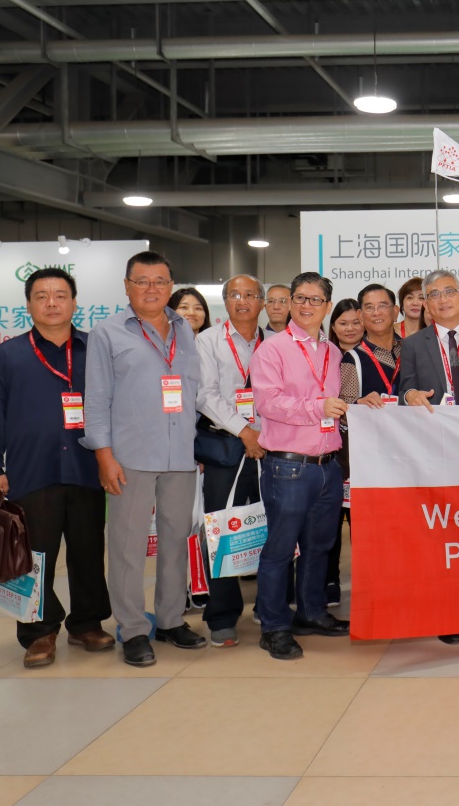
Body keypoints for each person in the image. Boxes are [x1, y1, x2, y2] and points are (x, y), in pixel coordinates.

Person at [0, 267, 112, 668]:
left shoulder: (97, 350)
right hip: (31, 471)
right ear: (29, 304)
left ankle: (87, 623)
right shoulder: (6, 356)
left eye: (60, 295)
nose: (52, 303)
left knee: (88, 553)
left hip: (89, 469)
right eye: (41, 296)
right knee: (34, 558)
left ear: (74, 302)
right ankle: (39, 632)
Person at [84, 250, 205, 667]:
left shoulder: (184, 330)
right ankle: (134, 629)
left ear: (171, 286)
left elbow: (192, 392)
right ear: (127, 286)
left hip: (181, 455)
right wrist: (104, 455)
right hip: (130, 456)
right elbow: (96, 399)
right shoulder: (107, 333)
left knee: (176, 541)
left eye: (160, 281)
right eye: (142, 281)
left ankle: (170, 620)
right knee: (127, 546)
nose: (151, 289)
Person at [248, 272, 351, 660]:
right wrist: (317, 408)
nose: (307, 306)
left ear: (327, 306)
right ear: (290, 303)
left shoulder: (332, 352)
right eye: (300, 298)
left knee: (319, 546)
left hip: (327, 465)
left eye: (315, 300)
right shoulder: (272, 349)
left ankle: (311, 612)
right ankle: (274, 626)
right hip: (288, 468)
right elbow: (268, 403)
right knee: (280, 549)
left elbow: (336, 403)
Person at [399, 269, 459, 645]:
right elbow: (405, 388)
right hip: (437, 450)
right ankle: (449, 611)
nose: (443, 299)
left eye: (449, 291)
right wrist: (409, 395)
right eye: (434, 294)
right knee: (444, 534)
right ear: (426, 304)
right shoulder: (413, 344)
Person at [192, 274, 267, 649]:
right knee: (221, 529)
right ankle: (222, 615)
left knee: (271, 528)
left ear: (262, 302)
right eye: (234, 294)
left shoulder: (275, 341)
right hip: (226, 444)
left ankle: (269, 607)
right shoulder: (207, 341)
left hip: (269, 447)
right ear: (225, 301)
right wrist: (244, 431)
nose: (242, 300)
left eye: (250, 294)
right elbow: (204, 395)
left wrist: (262, 435)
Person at [326, 299, 367, 608]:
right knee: (329, 522)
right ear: (333, 326)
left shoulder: (371, 355)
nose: (350, 328)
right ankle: (329, 580)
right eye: (343, 323)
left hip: (362, 452)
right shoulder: (326, 355)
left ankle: (365, 583)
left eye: (355, 322)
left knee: (361, 523)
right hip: (330, 449)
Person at [356, 284, 402, 402]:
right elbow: (345, 406)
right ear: (360, 315)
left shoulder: (411, 350)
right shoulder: (353, 358)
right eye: (369, 307)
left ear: (395, 312)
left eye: (382, 306)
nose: (376, 313)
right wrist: (359, 403)